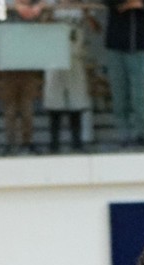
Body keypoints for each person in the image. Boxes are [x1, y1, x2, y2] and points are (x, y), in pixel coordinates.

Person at [103, 0, 144, 148]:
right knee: (119, 94)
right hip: (115, 45)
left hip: (138, 46)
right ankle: (123, 133)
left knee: (139, 94)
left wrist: (140, 4)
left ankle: (141, 133)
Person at [43, 0, 96, 153]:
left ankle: (77, 142)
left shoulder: (82, 5)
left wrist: (87, 15)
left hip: (75, 56)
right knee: (54, 100)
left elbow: (96, 29)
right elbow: (41, 27)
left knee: (77, 100)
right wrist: (49, 15)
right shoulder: (51, 3)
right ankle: (54, 144)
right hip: (54, 55)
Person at [0, 0, 45, 155]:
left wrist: (40, 6)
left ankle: (27, 141)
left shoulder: (32, 8)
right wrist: (15, 6)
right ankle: (10, 142)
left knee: (27, 106)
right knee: (10, 107)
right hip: (9, 61)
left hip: (27, 60)